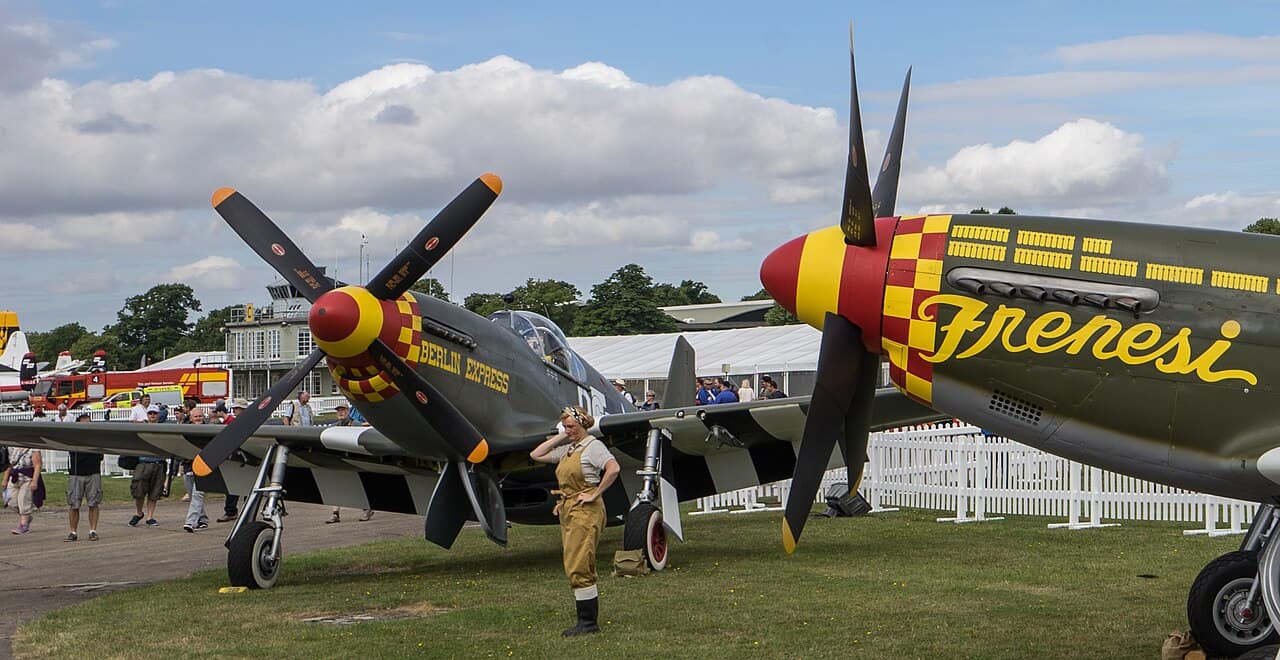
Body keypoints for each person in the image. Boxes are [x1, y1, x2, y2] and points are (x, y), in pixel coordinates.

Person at [530, 406, 620, 636]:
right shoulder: (569, 449)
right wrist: (561, 435)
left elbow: (613, 468)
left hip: (585, 510)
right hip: (569, 509)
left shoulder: (593, 447)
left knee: (579, 563)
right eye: (565, 426)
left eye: (571, 426)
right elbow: (536, 455)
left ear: (583, 425)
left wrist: (595, 493)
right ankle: (586, 621)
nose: (568, 430)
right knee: (573, 562)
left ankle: (588, 623)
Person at [326, 404, 374, 523]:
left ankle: (367, 509)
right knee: (336, 487)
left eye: (343, 410)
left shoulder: (355, 424)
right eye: (338, 411)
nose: (340, 413)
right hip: (340, 460)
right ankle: (335, 514)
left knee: (357, 486)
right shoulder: (334, 426)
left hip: (354, 461)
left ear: (348, 412)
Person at [66, 413, 102, 541]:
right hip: (76, 474)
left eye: (88, 423)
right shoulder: (73, 439)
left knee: (93, 503)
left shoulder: (96, 438)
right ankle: (73, 532)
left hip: (93, 473)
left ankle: (93, 530)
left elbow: (100, 455)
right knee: (74, 504)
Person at [129, 405, 167, 527]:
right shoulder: (141, 429)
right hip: (143, 463)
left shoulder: (164, 430)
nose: (152, 415)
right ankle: (139, 513)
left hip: (158, 463)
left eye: (155, 413)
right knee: (138, 491)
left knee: (154, 492)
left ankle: (150, 516)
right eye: (150, 413)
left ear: (158, 415)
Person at [217, 398, 248, 523]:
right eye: (234, 408)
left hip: (248, 457)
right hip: (234, 457)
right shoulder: (232, 421)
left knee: (248, 485)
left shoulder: (250, 422)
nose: (234, 410)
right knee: (232, 486)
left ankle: (247, 511)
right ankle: (230, 511)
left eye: (237, 408)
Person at [181, 407, 211, 532]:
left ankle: (190, 522)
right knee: (193, 495)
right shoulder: (185, 430)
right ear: (191, 418)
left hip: (204, 467)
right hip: (188, 466)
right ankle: (203, 519)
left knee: (197, 494)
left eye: (200, 416)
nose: (198, 418)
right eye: (196, 417)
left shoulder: (210, 430)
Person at [2, 445, 43, 534]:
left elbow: (38, 466)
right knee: (11, 502)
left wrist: (34, 481)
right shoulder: (12, 448)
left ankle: (24, 525)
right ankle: (27, 517)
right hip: (14, 478)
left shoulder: (34, 449)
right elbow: (9, 465)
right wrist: (5, 479)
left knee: (24, 501)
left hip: (28, 478)